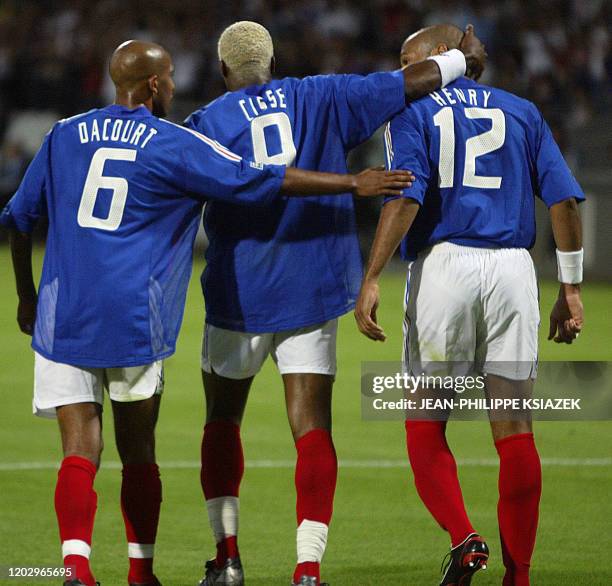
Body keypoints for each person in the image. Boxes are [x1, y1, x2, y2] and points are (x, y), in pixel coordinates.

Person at [1, 40, 414, 586]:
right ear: (153, 86)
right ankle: (153, 572)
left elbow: (19, 218)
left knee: (82, 448)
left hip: (66, 314)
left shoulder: (63, 133)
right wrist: (351, 182)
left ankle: (81, 565)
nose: (174, 85)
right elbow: (256, 179)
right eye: (169, 76)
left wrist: (27, 297)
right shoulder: (175, 141)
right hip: (136, 318)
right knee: (142, 450)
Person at [184, 20, 486, 586]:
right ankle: (307, 568)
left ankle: (227, 560)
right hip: (313, 288)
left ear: (224, 70)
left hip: (238, 292)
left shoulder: (204, 125)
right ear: (273, 61)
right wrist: (459, 59)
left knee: (222, 423)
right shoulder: (320, 94)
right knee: (313, 428)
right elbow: (406, 83)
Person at [354, 24, 584, 586]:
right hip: (513, 270)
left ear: (440, 58)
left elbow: (406, 193)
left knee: (424, 419)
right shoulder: (523, 110)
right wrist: (570, 288)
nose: (402, 75)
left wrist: (372, 275)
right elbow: (562, 198)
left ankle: (464, 538)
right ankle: (519, 575)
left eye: (408, 61)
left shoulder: (411, 111)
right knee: (515, 428)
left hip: (444, 268)